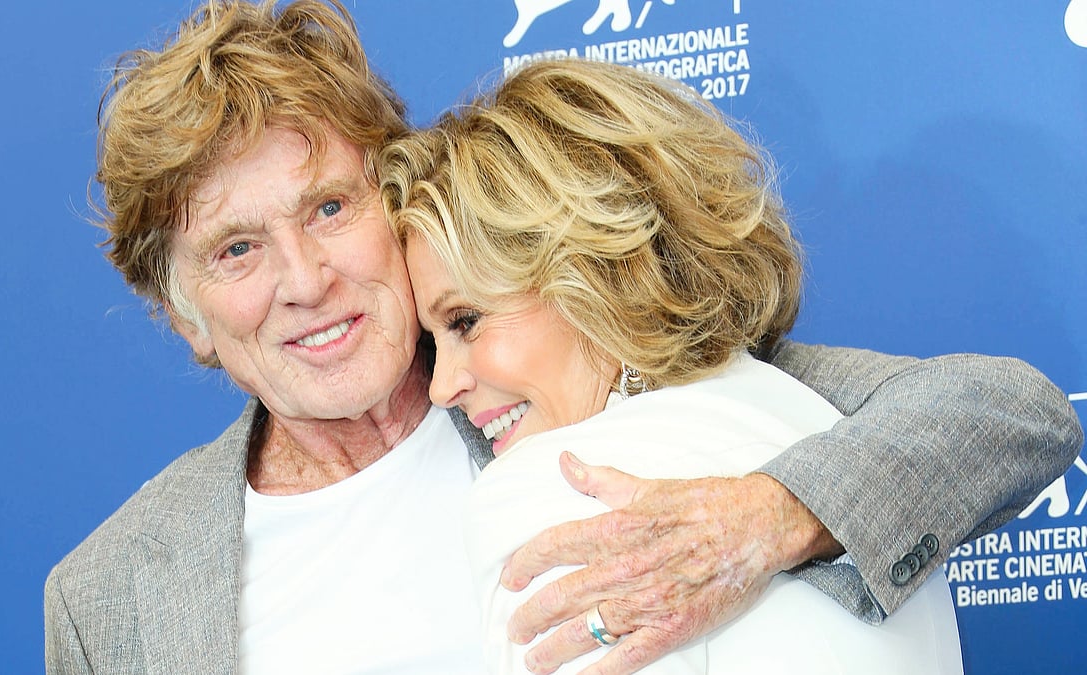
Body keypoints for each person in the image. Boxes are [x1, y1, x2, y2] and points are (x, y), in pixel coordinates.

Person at [43, 1, 1083, 673]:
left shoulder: (579, 367)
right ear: (183, 315)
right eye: (236, 249)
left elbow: (1005, 413)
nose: (306, 280)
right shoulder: (110, 599)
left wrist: (766, 515)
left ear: (393, 200)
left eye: (328, 208)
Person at [379, 56, 966, 674]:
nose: (440, 388)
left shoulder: (548, 493)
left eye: (465, 321)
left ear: (597, 276)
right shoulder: (821, 428)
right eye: (432, 342)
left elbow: (1005, 406)